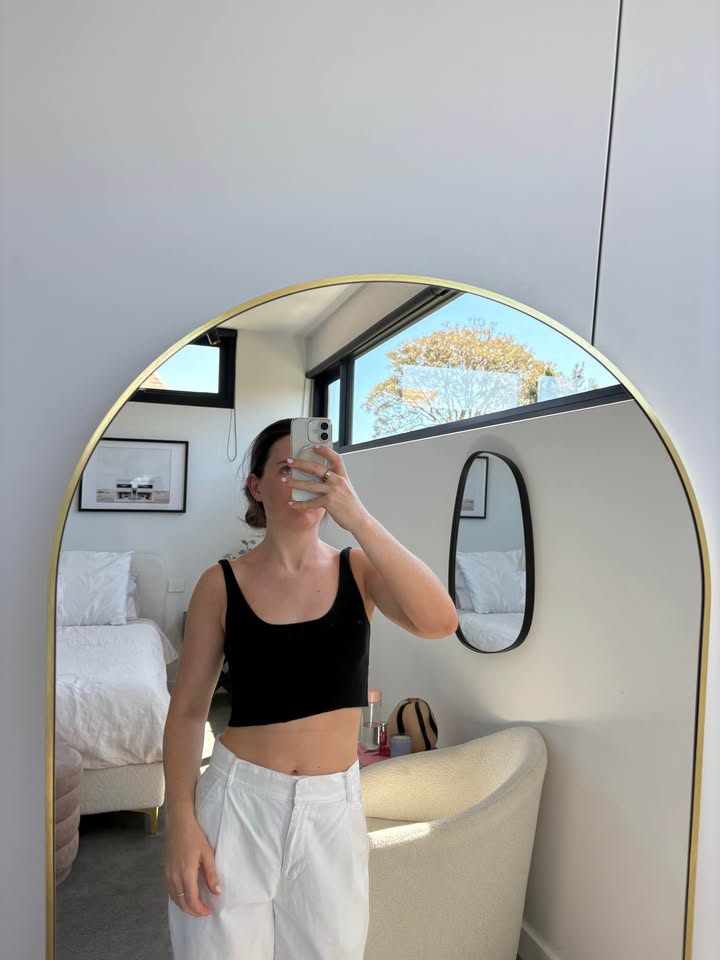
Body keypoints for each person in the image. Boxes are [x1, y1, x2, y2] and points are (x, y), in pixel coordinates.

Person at [163, 417, 458, 960]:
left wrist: (357, 516)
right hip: (237, 806)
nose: (304, 478)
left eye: (317, 468)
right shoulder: (220, 584)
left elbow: (440, 621)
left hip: (332, 812)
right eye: (287, 469)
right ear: (255, 486)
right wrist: (180, 822)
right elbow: (185, 715)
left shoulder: (359, 570)